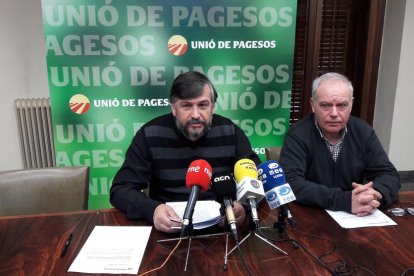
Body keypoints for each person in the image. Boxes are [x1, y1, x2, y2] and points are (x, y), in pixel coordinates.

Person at [110, 71, 260, 233]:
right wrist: (152, 210)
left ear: (213, 107)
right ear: (174, 108)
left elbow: (257, 178)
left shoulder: (230, 131)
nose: (195, 115)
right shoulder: (150, 134)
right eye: (187, 106)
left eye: (203, 105)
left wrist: (243, 206)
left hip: (223, 230)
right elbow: (120, 190)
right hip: (169, 230)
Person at [279, 72, 400, 217]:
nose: (334, 113)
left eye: (342, 105)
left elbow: (388, 174)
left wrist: (374, 195)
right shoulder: (297, 135)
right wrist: (345, 200)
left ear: (351, 104)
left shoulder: (362, 131)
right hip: (312, 217)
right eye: (326, 105)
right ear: (312, 105)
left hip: (358, 218)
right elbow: (291, 184)